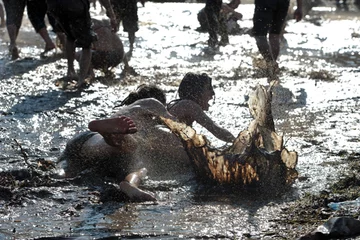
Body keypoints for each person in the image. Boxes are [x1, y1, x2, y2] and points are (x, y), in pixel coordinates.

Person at [59, 85, 191, 202]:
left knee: (70, 164)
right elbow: (177, 127)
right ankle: (129, 183)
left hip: (84, 144)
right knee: (138, 161)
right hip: (110, 148)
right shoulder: (151, 107)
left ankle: (110, 137)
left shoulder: (130, 112)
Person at [47, 0, 118, 88]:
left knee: (69, 36)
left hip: (55, 6)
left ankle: (70, 71)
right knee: (87, 43)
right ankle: (81, 80)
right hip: (75, 5)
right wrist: (112, 15)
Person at [167, 73, 235, 143]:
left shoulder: (181, 105)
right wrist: (237, 142)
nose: (212, 93)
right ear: (197, 92)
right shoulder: (189, 105)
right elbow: (216, 130)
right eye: (209, 88)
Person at [252, 0, 303, 82]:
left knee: (260, 36)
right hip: (283, 3)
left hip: (265, 3)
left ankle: (271, 65)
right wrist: (299, 7)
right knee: (274, 36)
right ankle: (272, 70)